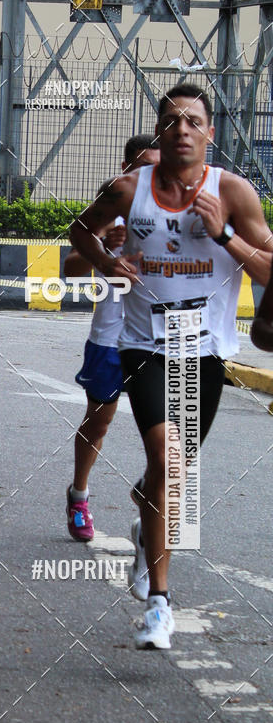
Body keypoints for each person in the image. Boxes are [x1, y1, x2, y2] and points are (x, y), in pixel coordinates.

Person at [70, 83, 272, 650]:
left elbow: (268, 271)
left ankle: (143, 515)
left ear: (210, 133)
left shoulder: (232, 192)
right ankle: (160, 604)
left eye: (193, 121)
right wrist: (110, 259)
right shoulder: (129, 189)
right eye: (172, 121)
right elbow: (78, 231)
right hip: (145, 344)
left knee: (170, 477)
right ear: (160, 133)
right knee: (168, 457)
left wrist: (224, 234)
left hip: (204, 350)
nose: (182, 129)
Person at [64, 135, 159, 546]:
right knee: (99, 421)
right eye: (139, 166)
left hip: (159, 339)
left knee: (168, 430)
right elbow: (71, 269)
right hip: (111, 338)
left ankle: (149, 489)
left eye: (155, 165)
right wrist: (102, 250)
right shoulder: (110, 216)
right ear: (125, 169)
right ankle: (79, 496)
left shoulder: (177, 214)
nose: (147, 174)